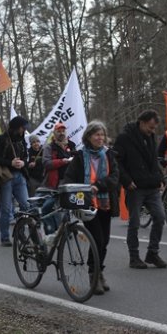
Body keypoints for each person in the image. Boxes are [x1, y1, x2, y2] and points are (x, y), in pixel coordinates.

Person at [63, 121, 119, 295]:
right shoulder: (80, 156)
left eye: (102, 134)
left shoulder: (109, 155)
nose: (100, 138)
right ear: (88, 137)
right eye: (96, 134)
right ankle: (93, 275)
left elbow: (115, 176)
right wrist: (66, 189)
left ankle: (99, 272)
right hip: (87, 204)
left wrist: (99, 185)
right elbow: (69, 177)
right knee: (97, 240)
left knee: (105, 241)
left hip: (105, 202)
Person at [113, 110, 167, 269]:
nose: (152, 131)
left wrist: (160, 178)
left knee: (159, 217)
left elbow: (153, 159)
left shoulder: (150, 137)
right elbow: (117, 162)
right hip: (135, 187)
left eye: (154, 128)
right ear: (142, 122)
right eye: (150, 127)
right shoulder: (124, 138)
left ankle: (152, 253)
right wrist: (126, 181)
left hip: (151, 185)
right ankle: (134, 256)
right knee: (135, 223)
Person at [0, 116, 31, 246]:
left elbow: (26, 156)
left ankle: (20, 232)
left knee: (26, 206)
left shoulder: (22, 140)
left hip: (20, 176)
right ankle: (5, 237)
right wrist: (10, 163)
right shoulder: (1, 140)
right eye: (22, 127)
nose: (24, 130)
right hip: (6, 177)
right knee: (6, 209)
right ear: (16, 127)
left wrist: (23, 162)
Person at [42, 122, 76, 189]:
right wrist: (62, 161)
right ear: (54, 133)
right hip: (56, 182)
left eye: (63, 131)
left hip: (71, 180)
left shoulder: (72, 145)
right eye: (59, 131)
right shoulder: (49, 147)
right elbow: (46, 163)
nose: (62, 133)